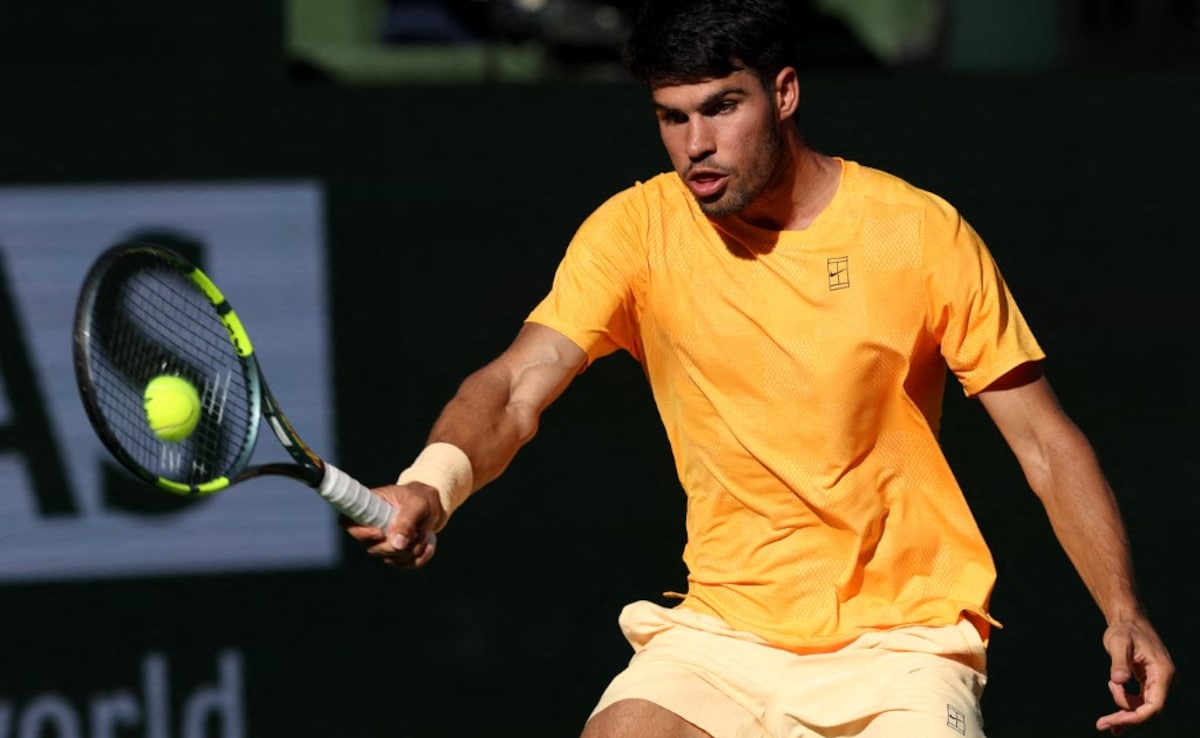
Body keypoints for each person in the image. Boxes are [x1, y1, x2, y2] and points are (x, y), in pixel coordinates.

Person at [342, 0, 1175, 735]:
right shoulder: (635, 231)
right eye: (672, 118)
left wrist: (1122, 609)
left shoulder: (919, 233)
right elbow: (516, 387)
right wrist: (433, 482)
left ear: (783, 93)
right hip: (723, 634)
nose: (695, 146)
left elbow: (1043, 442)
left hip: (904, 641)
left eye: (721, 108)